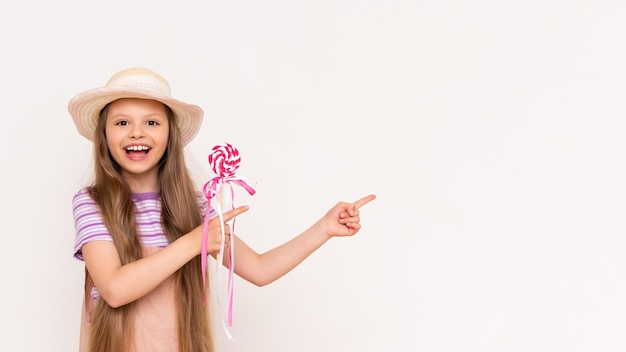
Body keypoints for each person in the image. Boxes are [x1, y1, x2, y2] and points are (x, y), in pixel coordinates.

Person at [68, 67, 376, 352]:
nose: (137, 132)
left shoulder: (196, 207)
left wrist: (323, 228)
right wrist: (195, 241)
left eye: (152, 122)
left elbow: (260, 269)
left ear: (170, 135)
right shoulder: (92, 203)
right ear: (104, 136)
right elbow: (115, 289)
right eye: (122, 122)